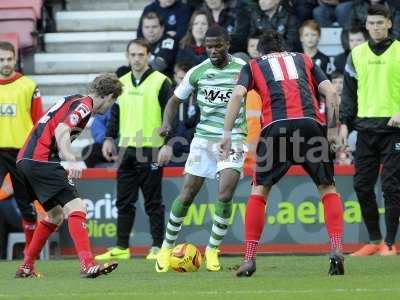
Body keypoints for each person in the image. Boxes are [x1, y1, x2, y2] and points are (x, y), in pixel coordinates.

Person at [220, 29, 344, 277]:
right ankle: (337, 249)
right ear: (285, 48)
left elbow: (237, 95)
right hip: (310, 126)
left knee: (259, 192)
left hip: (275, 129)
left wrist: (226, 132)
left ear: (260, 51)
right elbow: (331, 92)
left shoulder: (253, 65)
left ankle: (249, 258)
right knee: (327, 188)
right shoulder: (304, 59)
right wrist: (332, 130)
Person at [155, 26, 247, 272]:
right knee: (187, 194)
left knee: (225, 193)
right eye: (209, 47)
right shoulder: (198, 72)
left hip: (235, 137)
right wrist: (166, 123)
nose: (214, 51)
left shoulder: (242, 69)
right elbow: (174, 101)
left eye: (218, 46)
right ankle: (165, 248)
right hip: (203, 139)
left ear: (227, 43)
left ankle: (213, 250)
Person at [14, 74, 123, 278]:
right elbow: (62, 130)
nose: (110, 107)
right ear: (108, 96)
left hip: (24, 161)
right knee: (77, 208)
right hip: (42, 159)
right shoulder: (85, 106)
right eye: (113, 102)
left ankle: (26, 267)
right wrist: (70, 158)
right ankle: (88, 264)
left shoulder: (73, 99)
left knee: (55, 215)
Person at [95, 39, 172, 261]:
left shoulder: (161, 81)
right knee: (123, 201)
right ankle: (121, 247)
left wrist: (168, 143)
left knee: (153, 202)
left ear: (148, 55)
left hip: (152, 149)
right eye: (133, 55)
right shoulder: (122, 82)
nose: (136, 59)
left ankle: (157, 246)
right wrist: (109, 137)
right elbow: (115, 113)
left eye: (141, 55)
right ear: (127, 57)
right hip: (126, 149)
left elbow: (170, 115)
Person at [339, 4, 400, 256]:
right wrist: (344, 124)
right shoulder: (357, 54)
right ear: (366, 26)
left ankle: (389, 243)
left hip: (394, 129)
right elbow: (349, 95)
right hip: (365, 130)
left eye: (380, 23)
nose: (375, 27)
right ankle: (374, 240)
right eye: (371, 23)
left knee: (391, 187)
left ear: (389, 23)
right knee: (362, 185)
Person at [0, 41, 42, 256]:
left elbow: (37, 123)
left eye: (9, 59)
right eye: (1, 59)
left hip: (20, 153)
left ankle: (29, 257)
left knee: (26, 205)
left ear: (15, 59)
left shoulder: (28, 85)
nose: (5, 63)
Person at [117, 12, 178, 78]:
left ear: (162, 28)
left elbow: (159, 65)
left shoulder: (168, 41)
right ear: (142, 29)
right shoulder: (140, 43)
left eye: (154, 27)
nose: (150, 30)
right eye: (147, 27)